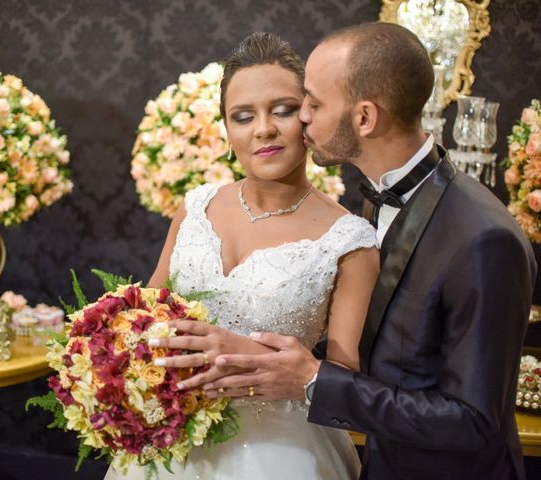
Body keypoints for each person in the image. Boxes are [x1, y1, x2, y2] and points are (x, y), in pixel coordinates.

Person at [164, 23, 536, 480]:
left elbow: (475, 421)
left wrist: (311, 380)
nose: (300, 120)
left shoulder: (482, 236)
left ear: (363, 118)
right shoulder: (375, 202)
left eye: (310, 105)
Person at [104, 32, 379, 479]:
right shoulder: (195, 206)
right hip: (170, 440)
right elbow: (145, 313)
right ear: (228, 129)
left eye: (283, 110)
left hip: (281, 449)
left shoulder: (349, 241)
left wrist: (248, 359)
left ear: (309, 115)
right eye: (243, 116)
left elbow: (342, 376)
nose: (264, 129)